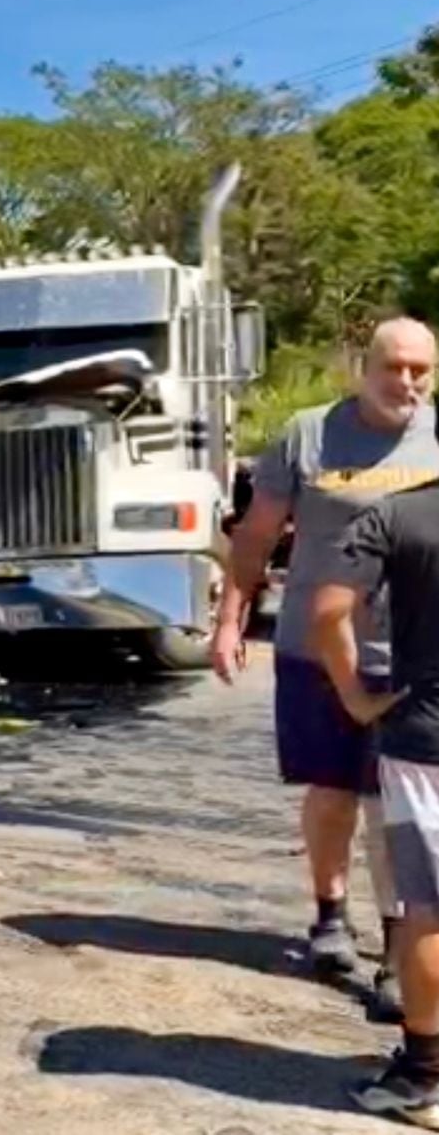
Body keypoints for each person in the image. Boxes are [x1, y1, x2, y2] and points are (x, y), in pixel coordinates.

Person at [214, 317, 439, 1017]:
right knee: (334, 795)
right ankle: (329, 913)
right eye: (392, 366)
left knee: (390, 811)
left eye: (419, 370)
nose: (405, 381)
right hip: (316, 650)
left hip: (410, 657)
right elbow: (256, 536)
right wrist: (230, 620)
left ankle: (399, 955)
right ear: (363, 368)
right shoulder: (310, 435)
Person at [313, 419, 439, 1126]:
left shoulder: (399, 512)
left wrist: (358, 696)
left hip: (425, 740)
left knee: (428, 908)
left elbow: (329, 611)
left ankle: (424, 1077)